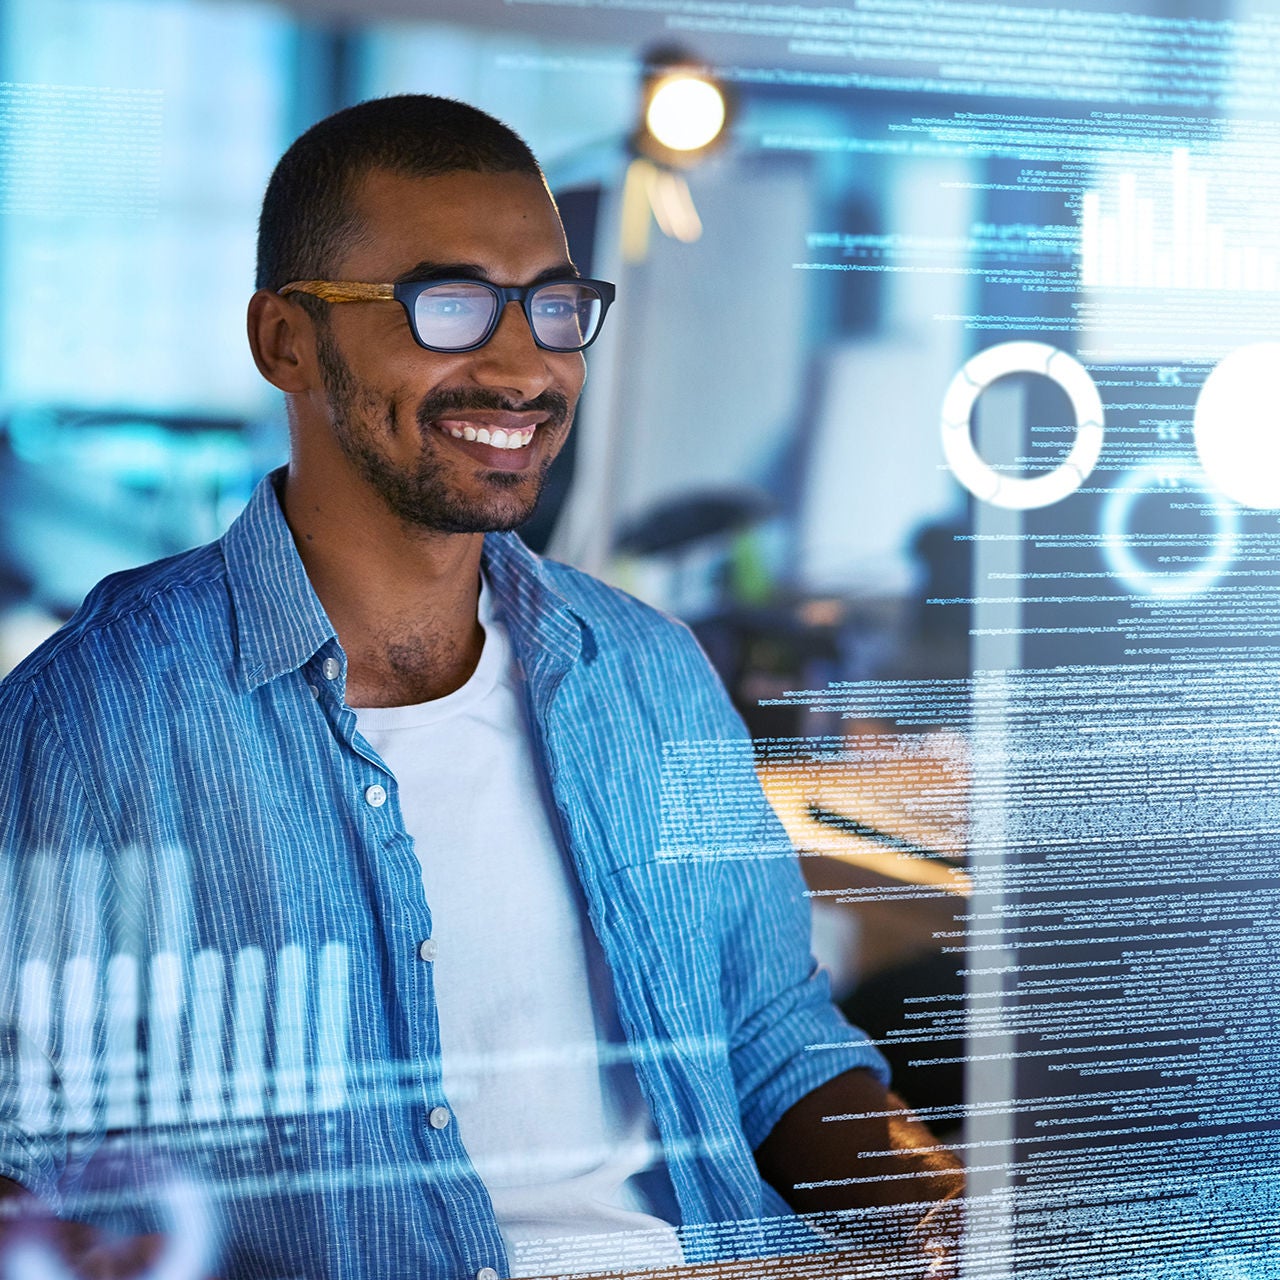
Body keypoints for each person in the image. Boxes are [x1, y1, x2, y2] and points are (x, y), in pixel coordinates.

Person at [0, 95, 961, 1279]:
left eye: (554, 307)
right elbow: (23, 1160)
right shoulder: (99, 719)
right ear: (286, 340)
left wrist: (938, 1222)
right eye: (447, 305)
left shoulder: (647, 672)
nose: (523, 367)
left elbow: (772, 1039)